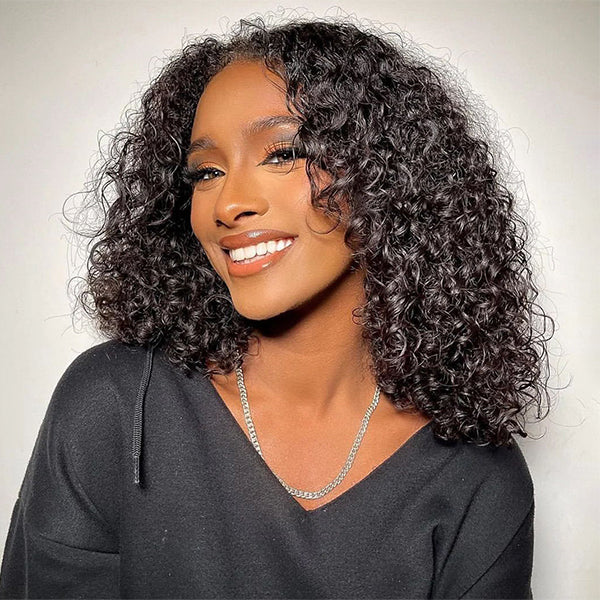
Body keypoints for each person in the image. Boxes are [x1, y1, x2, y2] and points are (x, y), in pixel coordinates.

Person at [0, 16, 553, 599]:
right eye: (207, 171)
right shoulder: (113, 405)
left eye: (284, 153)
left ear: (387, 177)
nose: (230, 202)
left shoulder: (477, 480)